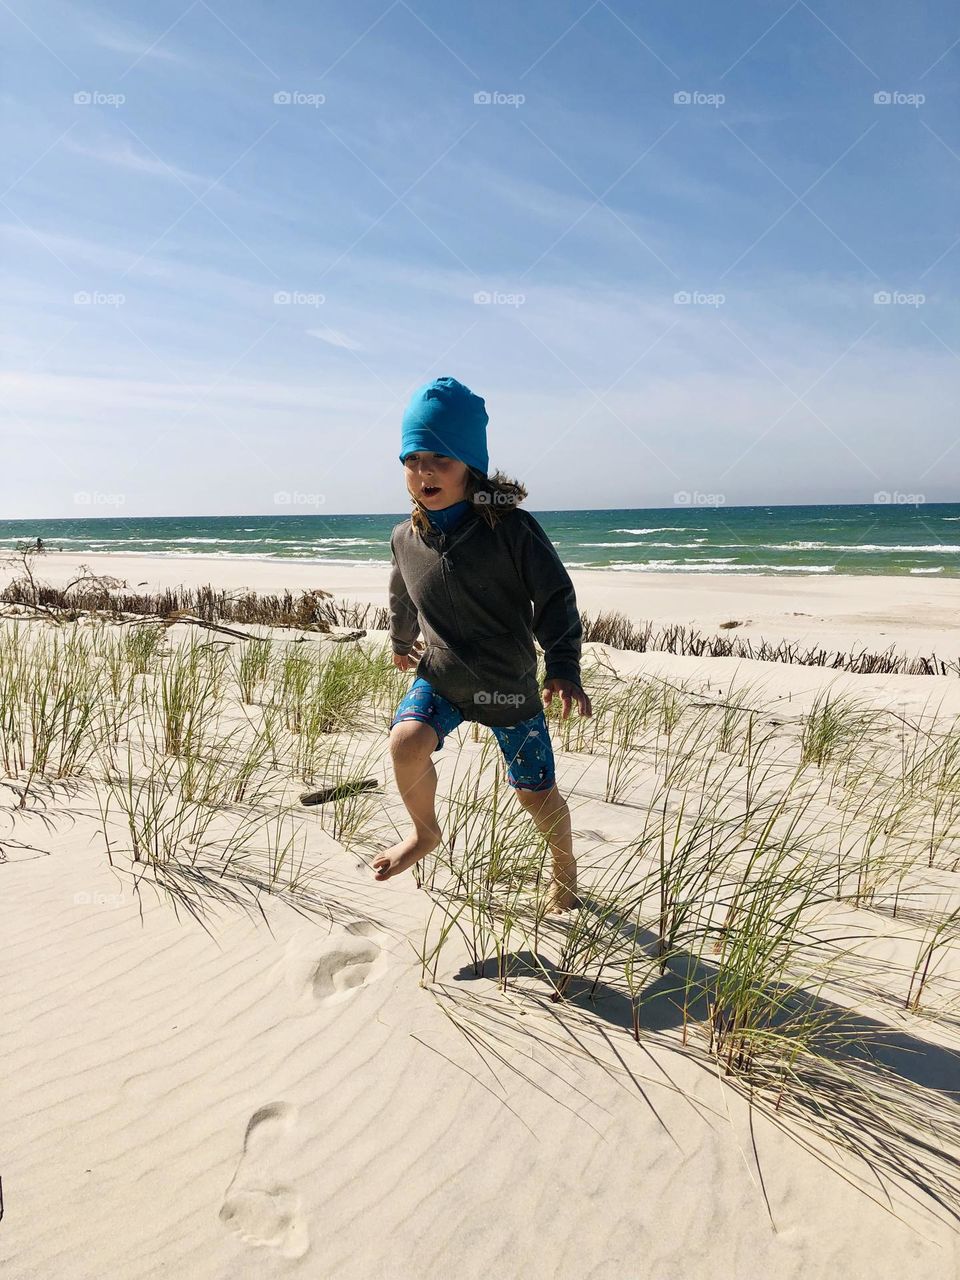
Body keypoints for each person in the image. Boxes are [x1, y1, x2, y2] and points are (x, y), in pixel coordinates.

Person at [373, 376, 592, 911]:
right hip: (442, 678)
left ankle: (564, 870)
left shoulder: (512, 530)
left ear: (470, 467)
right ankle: (424, 833)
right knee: (406, 742)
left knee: (534, 795)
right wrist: (402, 640)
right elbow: (402, 593)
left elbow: (556, 596)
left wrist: (562, 666)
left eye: (441, 460)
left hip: (507, 685)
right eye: (413, 457)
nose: (425, 471)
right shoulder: (406, 536)